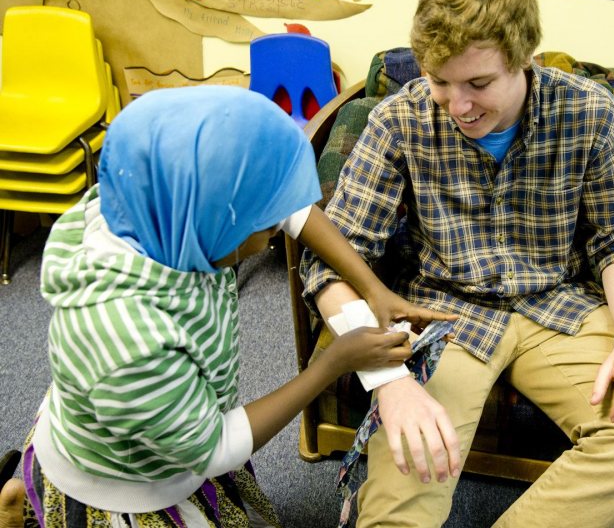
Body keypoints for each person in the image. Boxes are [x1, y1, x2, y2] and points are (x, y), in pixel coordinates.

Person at [300, 0, 614, 527]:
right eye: (439, 82)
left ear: (525, 58)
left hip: (559, 304)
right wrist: (390, 383)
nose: (458, 106)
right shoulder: (397, 120)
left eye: (479, 84)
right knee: (398, 501)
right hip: (442, 312)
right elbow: (332, 263)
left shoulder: (591, 114)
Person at [0, 85, 455, 528]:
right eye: (265, 226)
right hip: (133, 484)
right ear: (216, 219)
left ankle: (19, 494)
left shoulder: (157, 207)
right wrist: (330, 365)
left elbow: (291, 210)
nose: (275, 235)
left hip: (158, 415)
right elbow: (213, 447)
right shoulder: (128, 342)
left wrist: (371, 286)